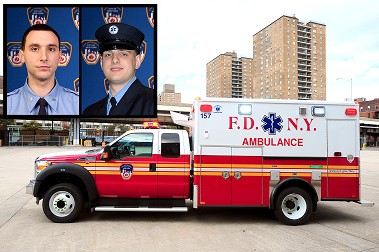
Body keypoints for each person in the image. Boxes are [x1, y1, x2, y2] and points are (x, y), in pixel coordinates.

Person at [82, 23, 154, 116]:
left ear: (137, 61)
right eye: (108, 54)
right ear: (101, 63)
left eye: (123, 54)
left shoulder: (151, 103)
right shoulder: (90, 112)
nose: (114, 60)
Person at [7, 24, 79, 115]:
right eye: (35, 49)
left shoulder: (77, 104)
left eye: (51, 49)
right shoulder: (8, 104)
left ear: (60, 56)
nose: (44, 57)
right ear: (21, 56)